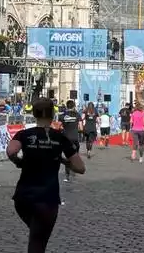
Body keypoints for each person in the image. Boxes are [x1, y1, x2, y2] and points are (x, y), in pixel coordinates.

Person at [7, 97, 86, 253]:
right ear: (52, 115)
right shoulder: (60, 138)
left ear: (35, 114)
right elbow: (80, 168)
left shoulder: (24, 134)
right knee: (38, 242)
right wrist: (63, 161)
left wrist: (19, 161)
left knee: (37, 234)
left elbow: (11, 151)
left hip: (24, 197)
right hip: (47, 198)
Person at [57, 100, 81, 183]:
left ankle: (67, 176)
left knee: (68, 158)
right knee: (75, 156)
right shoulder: (77, 115)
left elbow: (58, 127)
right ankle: (74, 170)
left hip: (66, 139)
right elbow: (80, 127)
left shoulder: (62, 116)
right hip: (75, 138)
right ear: (74, 106)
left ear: (66, 106)